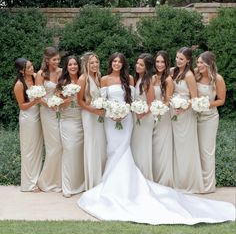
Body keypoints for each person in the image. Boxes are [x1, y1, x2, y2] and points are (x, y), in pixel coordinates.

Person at [77, 52, 235, 225]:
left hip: (131, 118)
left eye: (120, 61)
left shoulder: (132, 79)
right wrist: (112, 112)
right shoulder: (105, 79)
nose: (117, 63)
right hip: (112, 119)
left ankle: (128, 182)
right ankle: (110, 180)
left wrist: (130, 112)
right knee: (112, 149)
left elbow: (140, 100)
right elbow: (102, 99)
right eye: (114, 61)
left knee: (124, 149)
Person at [171, 47, 204, 193]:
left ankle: (188, 182)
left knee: (186, 147)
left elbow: (194, 98)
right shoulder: (174, 72)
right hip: (174, 113)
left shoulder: (189, 75)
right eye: (177, 57)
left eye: (181, 59)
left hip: (186, 114)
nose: (178, 61)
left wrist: (183, 107)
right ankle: (177, 180)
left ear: (188, 61)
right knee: (177, 148)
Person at [195, 51, 226, 193]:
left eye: (201, 62)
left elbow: (221, 100)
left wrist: (206, 104)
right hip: (194, 117)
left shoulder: (217, 79)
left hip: (209, 118)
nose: (198, 65)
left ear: (209, 64)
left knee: (207, 151)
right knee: (195, 150)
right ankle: (196, 182)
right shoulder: (196, 75)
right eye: (198, 62)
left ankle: (208, 186)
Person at [77, 52, 106, 190]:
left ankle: (101, 178)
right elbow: (80, 101)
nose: (95, 65)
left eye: (96, 62)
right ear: (86, 64)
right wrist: (93, 110)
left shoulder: (99, 77)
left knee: (100, 145)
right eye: (91, 63)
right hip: (89, 115)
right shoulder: (83, 79)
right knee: (92, 144)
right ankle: (92, 182)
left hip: (100, 116)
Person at [13, 58, 43, 192]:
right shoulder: (19, 85)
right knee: (29, 150)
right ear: (21, 71)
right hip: (28, 118)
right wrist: (35, 101)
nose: (32, 69)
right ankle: (28, 184)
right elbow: (22, 106)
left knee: (37, 149)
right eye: (29, 67)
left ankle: (36, 180)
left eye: (32, 66)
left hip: (38, 116)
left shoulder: (35, 77)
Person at [57, 56, 84, 197]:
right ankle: (68, 187)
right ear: (66, 67)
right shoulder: (62, 82)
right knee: (69, 150)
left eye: (75, 64)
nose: (73, 67)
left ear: (78, 66)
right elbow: (58, 103)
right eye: (70, 65)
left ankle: (81, 184)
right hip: (67, 120)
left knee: (80, 153)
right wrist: (69, 97)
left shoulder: (83, 79)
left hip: (82, 119)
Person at [35, 46, 62, 192]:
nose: (57, 61)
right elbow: (37, 96)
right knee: (54, 146)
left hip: (60, 110)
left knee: (61, 145)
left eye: (58, 59)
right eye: (54, 59)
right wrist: (49, 104)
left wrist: (58, 101)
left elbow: (62, 90)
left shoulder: (61, 71)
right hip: (46, 111)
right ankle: (45, 181)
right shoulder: (41, 74)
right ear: (47, 60)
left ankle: (58, 180)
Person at [131, 53, 155, 180]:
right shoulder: (138, 79)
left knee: (143, 147)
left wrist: (142, 113)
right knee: (137, 146)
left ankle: (145, 177)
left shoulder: (147, 81)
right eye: (137, 63)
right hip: (137, 117)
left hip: (145, 118)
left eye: (141, 64)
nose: (137, 66)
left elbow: (151, 104)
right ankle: (137, 176)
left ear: (147, 68)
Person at [152, 51, 174, 187]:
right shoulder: (153, 77)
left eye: (162, 62)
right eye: (157, 62)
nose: (160, 65)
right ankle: (154, 177)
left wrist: (158, 112)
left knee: (162, 147)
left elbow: (167, 101)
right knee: (154, 148)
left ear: (166, 64)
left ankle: (164, 180)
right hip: (152, 116)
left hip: (163, 116)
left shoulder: (168, 80)